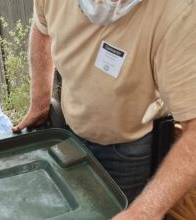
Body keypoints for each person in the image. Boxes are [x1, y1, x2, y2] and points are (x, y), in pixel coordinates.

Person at [13, 0, 196, 219]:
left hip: (128, 150)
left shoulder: (178, 11)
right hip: (70, 137)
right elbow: (42, 29)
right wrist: (39, 103)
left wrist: (144, 212)